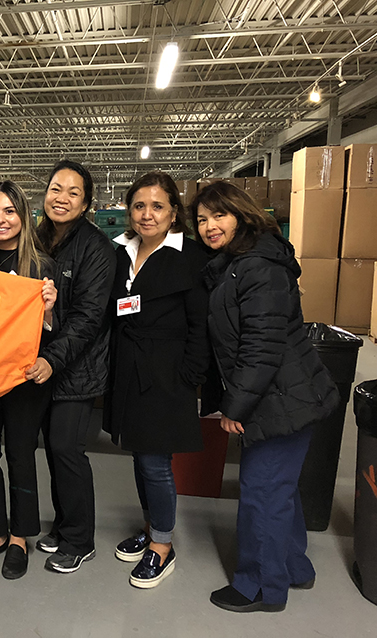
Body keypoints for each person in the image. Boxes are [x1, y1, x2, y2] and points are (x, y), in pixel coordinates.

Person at [191, 181, 339, 612]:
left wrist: (235, 406)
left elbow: (261, 345)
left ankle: (260, 586)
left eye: (219, 215)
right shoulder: (239, 262)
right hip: (285, 394)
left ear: (241, 214)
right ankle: (293, 566)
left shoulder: (258, 266)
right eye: (201, 219)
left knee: (261, 493)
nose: (209, 226)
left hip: (278, 398)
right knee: (280, 489)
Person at [105, 171, 210, 588]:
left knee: (155, 461)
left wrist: (190, 376)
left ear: (173, 212)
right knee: (137, 453)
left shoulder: (190, 257)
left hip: (167, 372)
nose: (147, 215)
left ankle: (163, 547)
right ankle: (152, 529)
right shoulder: (120, 251)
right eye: (139, 206)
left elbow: (200, 324)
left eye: (157, 206)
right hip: (127, 366)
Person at [0, 180, 57, 580]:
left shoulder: (42, 267)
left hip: (21, 378)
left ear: (23, 216)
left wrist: (49, 311)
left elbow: (54, 331)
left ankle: (20, 536)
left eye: (9, 212)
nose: (0, 220)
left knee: (20, 455)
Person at [33, 159, 116, 574]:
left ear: (86, 204)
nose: (61, 198)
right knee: (53, 448)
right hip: (41, 365)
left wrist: (51, 359)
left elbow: (88, 318)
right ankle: (65, 526)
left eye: (73, 193)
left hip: (75, 369)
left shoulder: (97, 248)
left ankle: (80, 539)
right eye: (55, 189)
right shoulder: (39, 239)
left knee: (68, 450)